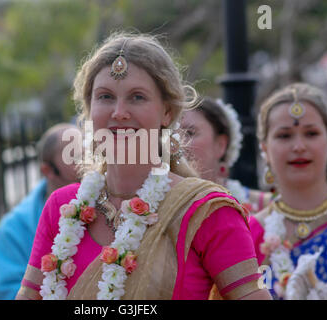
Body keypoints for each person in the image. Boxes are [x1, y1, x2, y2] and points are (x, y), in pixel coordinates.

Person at [16, 32, 271, 300]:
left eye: (137, 97)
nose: (119, 112)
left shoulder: (206, 211)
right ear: (88, 110)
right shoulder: (61, 208)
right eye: (105, 97)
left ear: (167, 112)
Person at [249, 83, 327, 299]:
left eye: (311, 133)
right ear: (265, 149)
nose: (299, 146)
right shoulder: (249, 235)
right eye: (284, 136)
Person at [0, 123, 81, 300]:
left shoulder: (106, 209)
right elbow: (10, 294)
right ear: (47, 171)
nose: (86, 164)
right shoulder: (10, 232)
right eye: (74, 157)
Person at [180, 97, 272, 212]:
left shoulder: (264, 207)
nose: (177, 142)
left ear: (220, 145)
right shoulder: (155, 205)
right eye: (172, 133)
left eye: (189, 133)